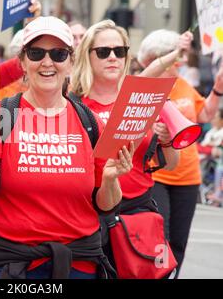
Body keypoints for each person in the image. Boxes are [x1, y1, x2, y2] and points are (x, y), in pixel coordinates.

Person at [0, 16, 134, 279]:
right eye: (36, 53)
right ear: (22, 61)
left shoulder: (89, 122)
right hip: (10, 264)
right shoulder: (0, 114)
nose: (47, 62)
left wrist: (111, 179)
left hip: (78, 265)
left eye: (58, 53)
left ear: (71, 61)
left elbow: (106, 206)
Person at [70, 20, 182, 277]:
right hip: (90, 217)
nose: (112, 57)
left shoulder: (142, 99)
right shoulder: (73, 104)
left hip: (139, 215)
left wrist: (166, 139)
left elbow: (172, 163)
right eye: (103, 51)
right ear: (88, 55)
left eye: (119, 51)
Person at [137, 28, 223, 278]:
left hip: (188, 176)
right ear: (160, 58)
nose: (183, 60)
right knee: (159, 239)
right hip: (159, 175)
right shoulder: (147, 85)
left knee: (179, 242)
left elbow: (204, 115)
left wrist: (217, 90)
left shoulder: (184, 84)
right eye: (178, 56)